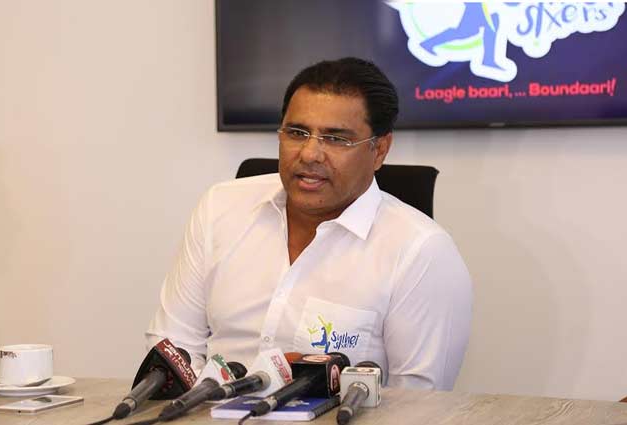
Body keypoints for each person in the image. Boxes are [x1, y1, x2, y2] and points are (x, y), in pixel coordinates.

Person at [146, 57, 472, 390]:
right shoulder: (220, 207)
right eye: (297, 133)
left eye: (336, 139)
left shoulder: (420, 251)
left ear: (379, 150)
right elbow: (174, 347)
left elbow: (417, 402)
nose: (310, 154)